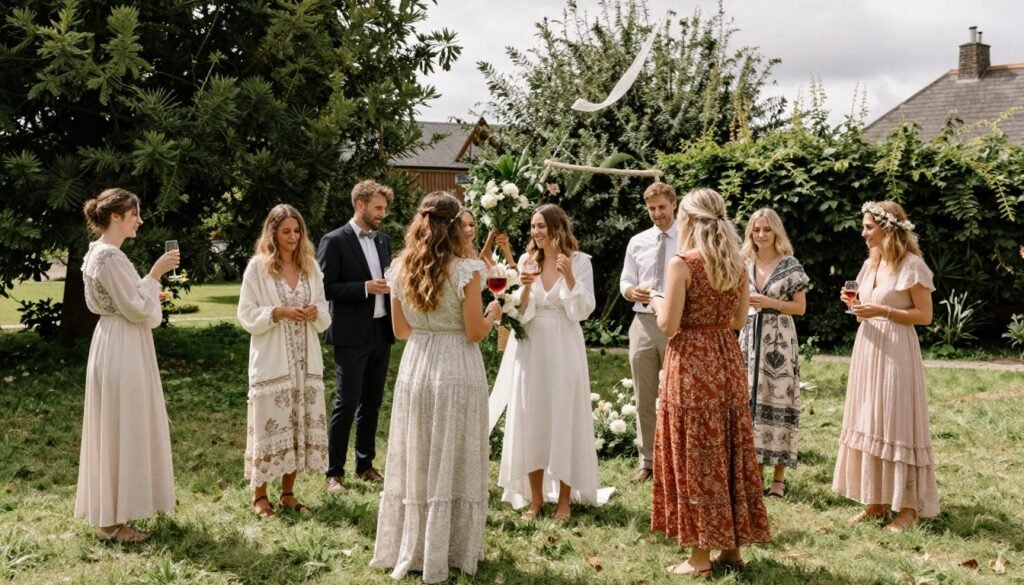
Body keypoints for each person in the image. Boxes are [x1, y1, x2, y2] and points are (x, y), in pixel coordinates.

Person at [370, 192, 502, 583]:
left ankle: (413, 547)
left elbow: (399, 330)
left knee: (420, 454)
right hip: (457, 365)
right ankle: (452, 550)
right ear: (453, 225)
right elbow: (476, 332)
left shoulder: (399, 268)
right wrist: (494, 312)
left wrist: (429, 330)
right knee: (454, 452)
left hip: (416, 366)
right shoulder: (466, 269)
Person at [650, 188, 770, 577]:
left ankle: (699, 557)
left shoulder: (682, 264)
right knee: (726, 449)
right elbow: (738, 321)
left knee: (696, 453)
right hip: (726, 359)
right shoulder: (737, 262)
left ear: (688, 219)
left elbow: (669, 325)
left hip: (691, 363)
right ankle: (731, 550)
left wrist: (655, 303)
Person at [492, 204, 609, 522]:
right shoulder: (529, 261)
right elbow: (518, 311)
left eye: (541, 226)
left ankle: (565, 501)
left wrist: (569, 275)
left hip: (564, 347)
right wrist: (526, 285)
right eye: (532, 227)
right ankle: (535, 499)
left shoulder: (580, 262)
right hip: (532, 348)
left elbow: (583, 310)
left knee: (564, 416)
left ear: (557, 227)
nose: (535, 232)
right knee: (533, 418)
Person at [75, 188, 179, 542]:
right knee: (124, 423)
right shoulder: (109, 257)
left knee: (116, 423)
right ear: (117, 216)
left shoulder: (98, 253)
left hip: (112, 338)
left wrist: (147, 290)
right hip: (122, 342)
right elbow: (135, 308)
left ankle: (113, 516)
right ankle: (112, 523)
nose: (140, 220)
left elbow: (125, 299)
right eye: (135, 213)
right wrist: (155, 274)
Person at [835, 200, 937, 533]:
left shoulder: (913, 266)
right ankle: (876, 501)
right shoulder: (870, 264)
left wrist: (883, 313)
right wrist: (858, 307)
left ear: (887, 228)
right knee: (870, 418)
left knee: (895, 421)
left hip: (897, 349)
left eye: (868, 227)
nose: (863, 233)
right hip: (869, 347)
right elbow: (869, 304)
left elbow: (924, 316)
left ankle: (908, 508)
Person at [237, 204, 332, 518]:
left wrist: (316, 313)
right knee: (271, 424)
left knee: (300, 422)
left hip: (306, 361)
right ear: (273, 233)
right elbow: (246, 314)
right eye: (286, 231)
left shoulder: (310, 268)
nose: (293, 237)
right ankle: (260, 496)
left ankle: (288, 492)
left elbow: (324, 312)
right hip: (272, 362)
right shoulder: (258, 268)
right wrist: (276, 312)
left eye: (297, 231)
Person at [317, 180, 395, 493]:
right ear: (359, 205)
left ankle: (365, 464)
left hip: (381, 331)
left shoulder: (383, 241)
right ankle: (333, 473)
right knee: (346, 403)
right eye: (378, 208)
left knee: (372, 403)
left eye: (385, 208)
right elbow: (325, 288)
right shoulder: (334, 240)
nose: (382, 214)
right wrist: (365, 287)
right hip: (350, 334)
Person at [738, 208, 809, 498]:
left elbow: (800, 308)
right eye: (756, 230)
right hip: (750, 337)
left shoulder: (790, 265)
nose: (761, 235)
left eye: (766, 229)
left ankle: (778, 479)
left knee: (778, 402)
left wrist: (769, 301)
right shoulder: (744, 262)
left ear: (776, 231)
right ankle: (755, 473)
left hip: (779, 338)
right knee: (750, 403)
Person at [618, 182, 678, 483]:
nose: (657, 214)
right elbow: (625, 281)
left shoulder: (689, 239)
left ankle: (676, 458)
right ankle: (648, 461)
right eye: (652, 209)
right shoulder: (637, 241)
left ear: (674, 204)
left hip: (676, 325)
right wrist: (631, 291)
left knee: (677, 395)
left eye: (662, 208)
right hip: (641, 323)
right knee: (644, 397)